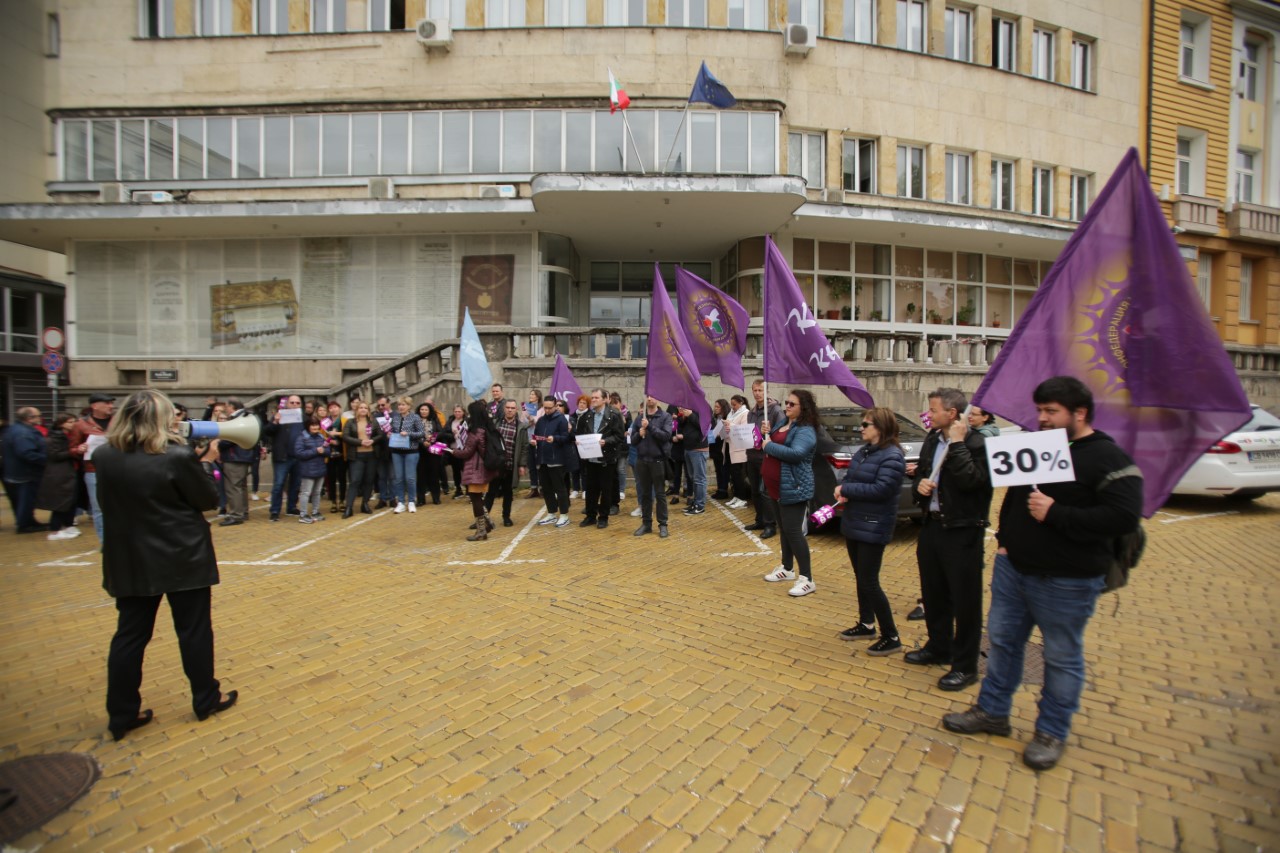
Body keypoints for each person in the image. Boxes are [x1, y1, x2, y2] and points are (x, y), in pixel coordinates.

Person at [943, 376, 1143, 771]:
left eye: (1051, 411)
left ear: (1079, 413)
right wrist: (1004, 540)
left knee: (1061, 656)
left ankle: (1051, 731)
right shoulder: (1037, 445)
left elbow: (1124, 516)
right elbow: (1016, 496)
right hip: (1014, 569)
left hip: (1067, 580)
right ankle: (993, 712)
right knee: (1002, 642)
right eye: (1040, 411)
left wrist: (1057, 513)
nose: (1043, 418)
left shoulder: (1107, 457)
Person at [95, 389, 237, 742]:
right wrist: (205, 463)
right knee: (193, 631)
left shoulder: (104, 456)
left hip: (128, 557)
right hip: (180, 555)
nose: (176, 420)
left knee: (129, 636)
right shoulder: (175, 457)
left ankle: (121, 714)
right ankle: (205, 698)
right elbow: (205, 500)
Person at [906, 388, 993, 692]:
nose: (928, 415)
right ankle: (938, 646)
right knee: (933, 592)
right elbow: (922, 475)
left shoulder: (977, 443)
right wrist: (920, 487)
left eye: (933, 410)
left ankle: (965, 665)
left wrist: (957, 445)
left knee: (965, 599)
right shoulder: (932, 439)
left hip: (962, 529)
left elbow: (973, 481)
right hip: (932, 527)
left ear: (952, 414)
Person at [835, 407, 907, 655]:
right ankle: (866, 623)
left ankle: (892, 635)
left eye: (866, 425)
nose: (861, 428)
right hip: (856, 521)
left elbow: (882, 489)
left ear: (881, 428)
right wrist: (843, 487)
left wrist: (848, 490)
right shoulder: (864, 452)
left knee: (870, 581)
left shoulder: (892, 456)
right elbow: (852, 477)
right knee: (861, 578)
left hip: (874, 525)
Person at [760, 390, 820, 597]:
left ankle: (807, 578)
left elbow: (796, 454)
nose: (787, 406)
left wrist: (770, 445)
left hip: (793, 486)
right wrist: (765, 433)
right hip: (776, 486)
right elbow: (771, 443)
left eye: (792, 404)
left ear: (803, 408)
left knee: (794, 531)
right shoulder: (785, 423)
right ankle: (787, 568)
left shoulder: (805, 430)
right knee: (784, 528)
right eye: (786, 403)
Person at [575, 388, 626, 529]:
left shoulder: (614, 415)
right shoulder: (587, 416)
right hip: (590, 458)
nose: (594, 400)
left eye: (597, 398)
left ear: (605, 399)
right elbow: (580, 433)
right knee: (591, 489)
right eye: (592, 397)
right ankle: (590, 516)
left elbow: (619, 436)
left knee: (606, 489)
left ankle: (603, 517)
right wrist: (579, 441)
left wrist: (606, 441)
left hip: (606, 459)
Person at [68, 392, 116, 540]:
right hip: (93, 471)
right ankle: (105, 542)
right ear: (95, 406)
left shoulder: (118, 421)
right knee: (99, 508)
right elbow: (72, 448)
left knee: (119, 506)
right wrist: (79, 449)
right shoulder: (80, 425)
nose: (111, 406)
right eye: (107, 403)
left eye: (111, 403)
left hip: (117, 469)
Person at [452, 400, 497, 541]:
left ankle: (481, 530)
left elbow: (467, 452)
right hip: (484, 467)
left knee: (475, 498)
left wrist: (451, 451)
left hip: (476, 468)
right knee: (478, 497)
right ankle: (487, 522)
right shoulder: (487, 428)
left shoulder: (475, 431)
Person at [746, 380, 786, 539]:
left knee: (766, 492)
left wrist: (770, 431)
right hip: (752, 455)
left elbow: (783, 433)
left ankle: (770, 524)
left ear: (766, 392)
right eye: (755, 390)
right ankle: (760, 520)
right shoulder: (751, 412)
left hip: (767, 457)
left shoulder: (775, 411)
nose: (757, 393)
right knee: (754, 490)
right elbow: (750, 433)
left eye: (760, 390)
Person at [630, 395, 673, 538]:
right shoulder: (640, 417)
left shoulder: (665, 417)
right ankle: (646, 524)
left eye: (652, 396)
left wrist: (650, 426)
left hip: (658, 461)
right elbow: (633, 440)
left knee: (660, 494)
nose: (649, 399)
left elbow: (666, 436)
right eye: (647, 396)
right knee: (645, 494)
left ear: (658, 399)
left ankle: (663, 524)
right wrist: (639, 434)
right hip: (642, 460)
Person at [2, 407, 47, 533]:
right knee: (25, 500)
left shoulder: (15, 429)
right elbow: (27, 453)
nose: (40, 418)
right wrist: (46, 460)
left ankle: (28, 521)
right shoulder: (23, 433)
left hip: (18, 473)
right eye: (38, 416)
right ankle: (25, 525)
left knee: (22, 501)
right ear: (29, 418)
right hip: (25, 474)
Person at [485, 400, 529, 527]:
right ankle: (483, 519)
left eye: (512, 408)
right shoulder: (495, 423)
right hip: (496, 465)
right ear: (504, 409)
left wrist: (522, 465)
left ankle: (506, 517)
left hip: (510, 465)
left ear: (516, 410)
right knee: (490, 492)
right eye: (508, 407)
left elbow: (525, 448)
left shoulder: (520, 427)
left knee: (508, 493)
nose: (510, 410)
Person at [38, 412, 81, 540]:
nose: (73, 424)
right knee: (61, 502)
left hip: (70, 472)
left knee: (71, 500)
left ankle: (68, 526)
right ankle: (55, 529)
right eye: (70, 422)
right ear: (61, 423)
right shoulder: (54, 438)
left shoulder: (68, 436)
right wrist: (74, 451)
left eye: (74, 421)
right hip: (60, 474)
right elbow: (55, 455)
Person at [533, 396, 573, 528]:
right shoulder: (541, 420)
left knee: (560, 488)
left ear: (556, 406)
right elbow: (536, 435)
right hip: (542, 459)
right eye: (545, 408)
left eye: (550, 408)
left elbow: (567, 438)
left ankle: (564, 515)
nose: (547, 410)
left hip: (556, 459)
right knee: (546, 488)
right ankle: (551, 513)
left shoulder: (561, 420)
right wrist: (534, 441)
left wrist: (555, 438)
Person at [264, 394, 305, 521]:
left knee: (296, 484)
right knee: (279, 484)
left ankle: (291, 507)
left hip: (298, 456)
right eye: (292, 403)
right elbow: (267, 431)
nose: (294, 405)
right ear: (287, 404)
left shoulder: (303, 418)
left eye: (297, 403)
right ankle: (275, 510)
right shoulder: (279, 416)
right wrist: (275, 422)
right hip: (282, 456)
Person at [217, 398, 256, 527]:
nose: (225, 410)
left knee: (233, 487)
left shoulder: (236, 419)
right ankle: (242, 511)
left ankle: (236, 514)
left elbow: (230, 437)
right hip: (242, 456)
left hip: (235, 456)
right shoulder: (246, 416)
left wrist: (219, 444)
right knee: (241, 486)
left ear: (232, 407)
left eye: (227, 407)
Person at [342, 401, 385, 517]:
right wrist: (360, 442)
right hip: (357, 456)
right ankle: (349, 507)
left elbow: (380, 435)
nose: (363, 410)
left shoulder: (373, 422)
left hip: (371, 455)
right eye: (361, 407)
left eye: (365, 408)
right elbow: (345, 436)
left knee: (369, 481)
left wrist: (373, 440)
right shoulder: (350, 422)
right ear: (357, 409)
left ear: (368, 410)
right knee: (355, 481)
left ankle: (365, 504)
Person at [388, 396, 424, 514]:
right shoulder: (395, 418)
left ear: (409, 406)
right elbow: (392, 431)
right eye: (399, 405)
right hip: (397, 451)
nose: (400, 407)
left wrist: (408, 434)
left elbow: (421, 433)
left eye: (403, 404)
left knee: (410, 478)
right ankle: (401, 502)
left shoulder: (415, 417)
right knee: (398, 478)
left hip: (411, 451)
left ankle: (412, 501)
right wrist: (390, 434)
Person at [294, 415, 331, 523]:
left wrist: (323, 451)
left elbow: (328, 451)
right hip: (307, 470)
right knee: (306, 492)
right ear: (308, 426)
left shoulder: (321, 437)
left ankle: (315, 512)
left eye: (316, 425)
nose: (315, 428)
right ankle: (303, 514)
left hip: (320, 468)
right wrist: (315, 451)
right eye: (312, 425)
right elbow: (299, 453)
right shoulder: (302, 437)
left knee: (317, 492)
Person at [678, 406, 708, 516]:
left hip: (698, 448)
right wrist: (682, 416)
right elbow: (681, 426)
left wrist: (690, 415)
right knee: (693, 478)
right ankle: (695, 503)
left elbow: (704, 426)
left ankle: (700, 506)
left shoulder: (704, 407)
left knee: (699, 478)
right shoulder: (689, 408)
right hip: (688, 448)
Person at [415, 401, 446, 506]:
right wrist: (422, 441)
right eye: (422, 409)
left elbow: (441, 431)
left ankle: (436, 497)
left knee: (434, 474)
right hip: (420, 450)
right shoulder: (415, 420)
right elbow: (413, 434)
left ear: (430, 411)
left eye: (426, 410)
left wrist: (433, 438)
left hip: (433, 450)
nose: (423, 412)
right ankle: (420, 499)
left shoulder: (434, 419)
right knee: (420, 475)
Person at [724, 395, 750, 508]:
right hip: (730, 447)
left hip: (740, 449)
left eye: (734, 405)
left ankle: (742, 498)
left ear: (741, 403)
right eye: (731, 405)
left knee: (740, 475)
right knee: (733, 475)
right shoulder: (731, 413)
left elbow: (745, 429)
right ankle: (736, 496)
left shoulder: (745, 413)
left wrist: (730, 425)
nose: (732, 407)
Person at [709, 399, 730, 500]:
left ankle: (723, 490)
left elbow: (727, 432)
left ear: (723, 408)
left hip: (722, 447)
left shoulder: (726, 418)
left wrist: (719, 434)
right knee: (718, 469)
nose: (715, 408)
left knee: (723, 469)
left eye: (718, 407)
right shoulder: (714, 418)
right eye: (715, 406)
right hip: (714, 447)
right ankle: (719, 488)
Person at [446, 404, 468, 499]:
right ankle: (458, 489)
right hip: (453, 449)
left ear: (463, 412)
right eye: (456, 411)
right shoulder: (450, 421)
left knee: (465, 470)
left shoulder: (466, 422)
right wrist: (452, 434)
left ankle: (468, 489)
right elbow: (444, 433)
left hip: (463, 449)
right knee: (455, 470)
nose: (457, 413)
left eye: (459, 411)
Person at [525, 390, 543, 499]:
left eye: (533, 394)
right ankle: (533, 488)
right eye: (530, 394)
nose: (531, 396)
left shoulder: (541, 409)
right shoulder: (526, 408)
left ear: (538, 397)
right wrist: (527, 420)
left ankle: (542, 488)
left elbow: (540, 423)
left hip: (538, 439)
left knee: (539, 466)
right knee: (531, 465)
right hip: (528, 438)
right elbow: (523, 423)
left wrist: (532, 419)